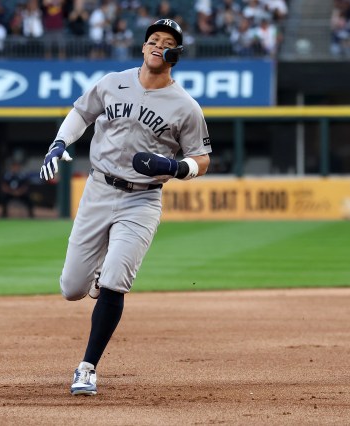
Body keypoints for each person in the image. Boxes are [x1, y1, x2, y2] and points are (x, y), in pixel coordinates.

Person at [39, 18, 212, 396]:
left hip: (142, 198)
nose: (157, 45)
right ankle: (98, 276)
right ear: (144, 46)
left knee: (116, 280)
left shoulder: (185, 106)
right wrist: (58, 144)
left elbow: (202, 158)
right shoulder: (113, 82)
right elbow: (81, 113)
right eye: (152, 39)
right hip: (98, 189)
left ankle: (87, 367)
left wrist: (176, 167)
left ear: (175, 54)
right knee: (71, 288)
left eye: (166, 42)